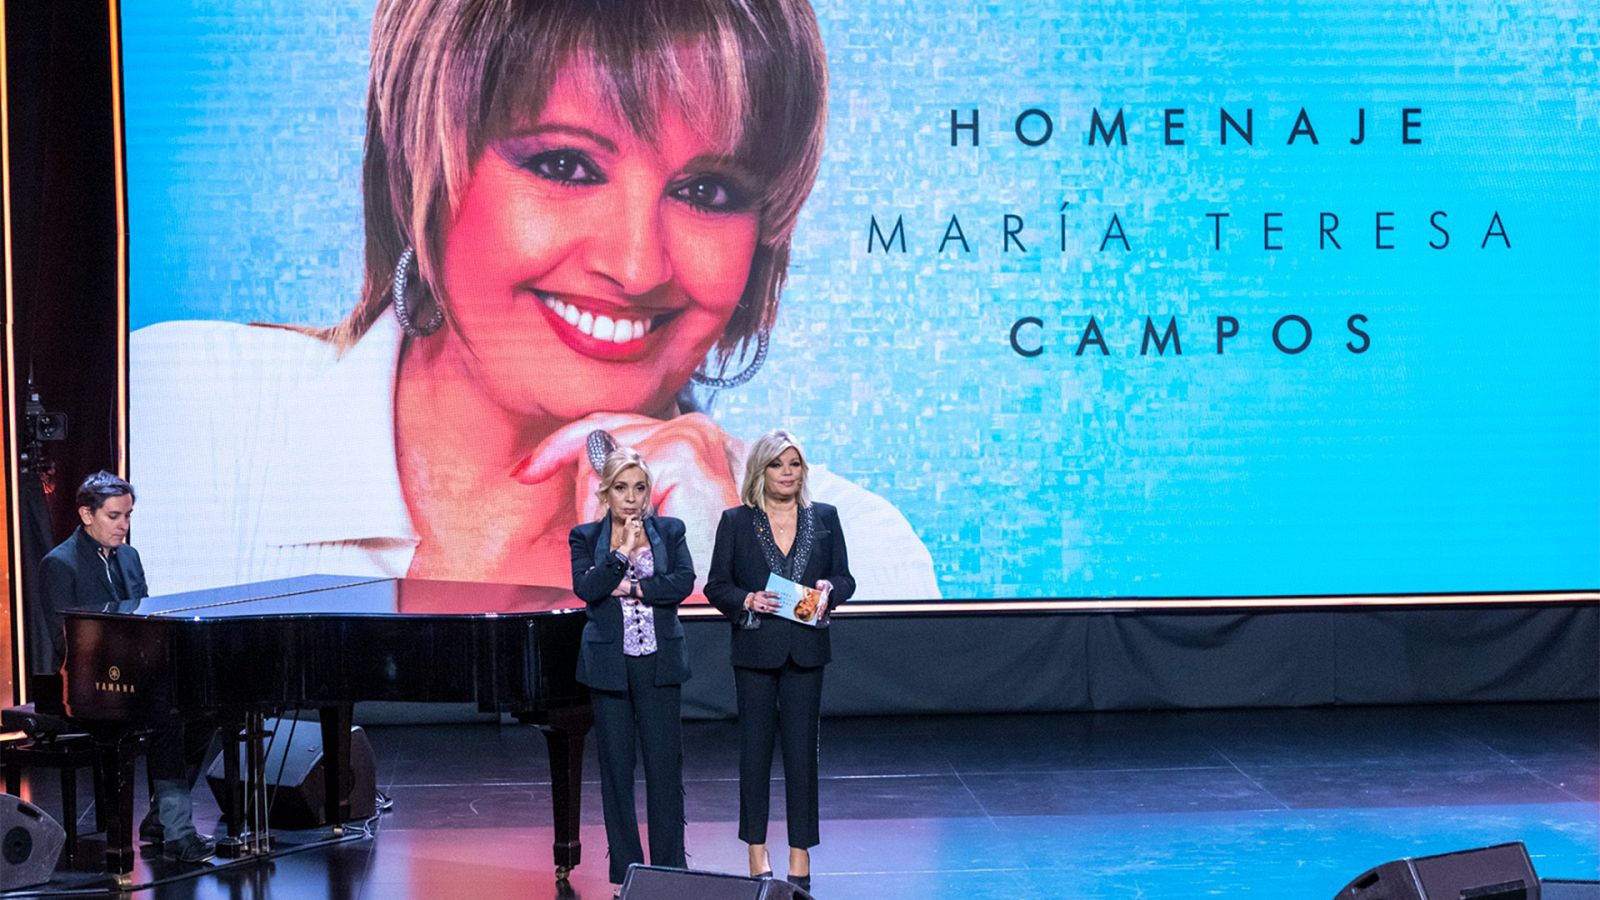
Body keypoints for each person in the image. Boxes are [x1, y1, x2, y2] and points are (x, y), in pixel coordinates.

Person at [129, 0, 940, 602]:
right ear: (424, 165)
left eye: (705, 189)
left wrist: (717, 580)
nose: (636, 264)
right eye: (565, 167)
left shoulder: (859, 553)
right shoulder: (179, 422)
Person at [37, 471, 216, 864]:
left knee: (205, 711)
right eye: (115, 516)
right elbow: (65, 642)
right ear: (87, 514)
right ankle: (179, 832)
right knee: (168, 716)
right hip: (84, 687)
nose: (124, 526)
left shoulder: (129, 556)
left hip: (133, 679)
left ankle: (159, 819)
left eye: (129, 516)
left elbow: (145, 617)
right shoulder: (60, 564)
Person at [704, 430, 854, 893]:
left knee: (801, 756)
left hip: (806, 653)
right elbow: (716, 587)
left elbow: (845, 579)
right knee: (754, 754)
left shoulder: (824, 518)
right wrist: (747, 598)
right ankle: (755, 851)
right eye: (778, 464)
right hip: (755, 652)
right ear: (761, 470)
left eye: (794, 464)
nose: (787, 473)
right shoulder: (736, 522)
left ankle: (799, 852)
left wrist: (831, 591)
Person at [568, 448, 693, 895]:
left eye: (639, 488)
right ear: (606, 492)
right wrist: (619, 556)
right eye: (622, 488)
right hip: (610, 668)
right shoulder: (585, 538)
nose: (632, 498)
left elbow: (682, 583)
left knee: (665, 770)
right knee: (617, 773)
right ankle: (626, 872)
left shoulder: (669, 531)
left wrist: (636, 587)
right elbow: (589, 588)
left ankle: (670, 871)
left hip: (659, 664)